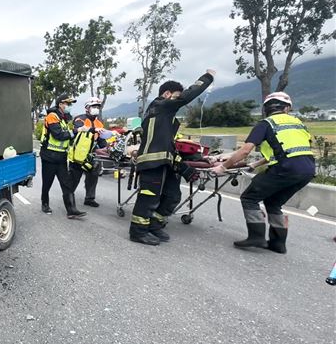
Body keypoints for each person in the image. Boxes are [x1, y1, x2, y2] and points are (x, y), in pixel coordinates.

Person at [212, 92, 314, 253]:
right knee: (273, 203)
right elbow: (287, 151)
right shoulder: (298, 124)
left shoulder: (266, 124)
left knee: (249, 197)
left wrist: (223, 167)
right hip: (307, 170)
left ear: (266, 108)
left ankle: (257, 237)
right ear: (287, 108)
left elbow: (245, 150)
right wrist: (255, 164)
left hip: (285, 169)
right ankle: (278, 243)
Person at [129, 69, 215, 245]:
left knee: (172, 195)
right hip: (152, 162)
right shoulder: (160, 105)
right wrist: (207, 78)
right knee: (149, 197)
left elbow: (167, 144)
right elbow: (186, 97)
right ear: (167, 94)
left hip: (164, 163)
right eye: (176, 96)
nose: (177, 100)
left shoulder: (164, 117)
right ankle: (138, 231)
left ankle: (154, 225)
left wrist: (184, 166)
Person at [40, 94, 87, 218]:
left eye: (70, 104)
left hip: (61, 158)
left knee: (66, 184)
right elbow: (58, 135)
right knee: (47, 183)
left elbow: (68, 137)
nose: (69, 106)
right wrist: (76, 131)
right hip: (49, 157)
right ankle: (45, 204)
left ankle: (71, 210)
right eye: (67, 103)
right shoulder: (52, 117)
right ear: (60, 104)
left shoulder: (64, 119)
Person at [69, 97, 108, 207]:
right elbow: (80, 130)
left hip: (91, 154)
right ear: (87, 108)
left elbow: (100, 138)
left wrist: (106, 149)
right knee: (73, 178)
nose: (96, 109)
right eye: (94, 106)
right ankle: (69, 200)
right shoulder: (79, 119)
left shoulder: (99, 122)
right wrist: (93, 129)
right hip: (79, 155)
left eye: (97, 107)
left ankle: (89, 198)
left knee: (93, 175)